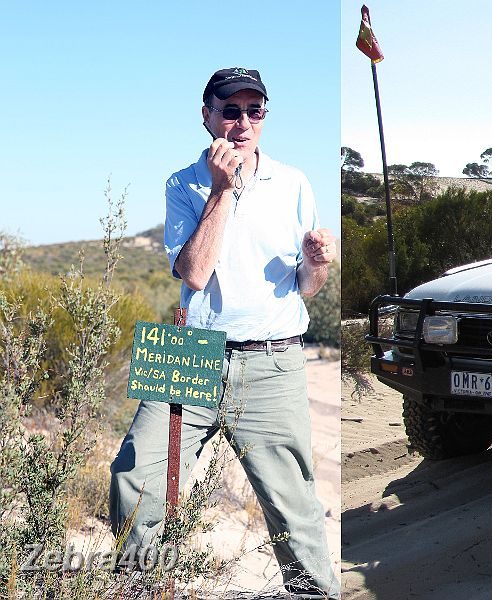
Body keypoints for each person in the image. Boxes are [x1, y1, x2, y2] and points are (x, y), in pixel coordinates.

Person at [109, 67, 339, 599]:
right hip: (190, 350)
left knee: (294, 504)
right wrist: (222, 190)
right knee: (134, 473)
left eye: (254, 111)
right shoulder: (182, 182)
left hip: (271, 358)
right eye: (230, 110)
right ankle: (140, 587)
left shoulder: (294, 182)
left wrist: (317, 262)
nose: (242, 122)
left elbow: (306, 287)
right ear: (206, 114)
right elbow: (193, 272)